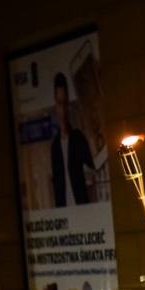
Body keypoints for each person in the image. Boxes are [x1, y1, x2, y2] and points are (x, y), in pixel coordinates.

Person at [50, 72, 95, 206]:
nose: (62, 109)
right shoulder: (55, 147)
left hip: (81, 205)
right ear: (56, 106)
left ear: (68, 105)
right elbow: (57, 183)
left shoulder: (78, 138)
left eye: (64, 104)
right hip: (64, 209)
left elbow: (91, 168)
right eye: (59, 104)